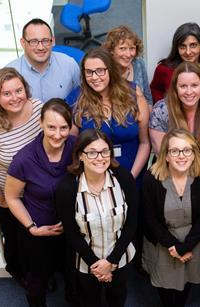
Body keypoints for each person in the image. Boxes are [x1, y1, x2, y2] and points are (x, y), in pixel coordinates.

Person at [5, 99, 75, 306]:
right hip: (38, 232)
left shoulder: (76, 147)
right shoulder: (23, 159)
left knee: (75, 279)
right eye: (51, 127)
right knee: (38, 283)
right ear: (41, 123)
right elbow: (12, 197)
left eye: (63, 128)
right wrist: (32, 228)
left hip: (71, 230)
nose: (57, 134)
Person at [55, 129, 137, 307]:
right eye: (92, 152)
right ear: (80, 156)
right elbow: (71, 234)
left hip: (119, 258)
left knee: (118, 299)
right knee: (89, 301)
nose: (100, 158)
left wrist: (111, 261)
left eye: (104, 151)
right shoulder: (68, 188)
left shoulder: (123, 178)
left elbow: (132, 223)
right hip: (86, 263)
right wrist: (97, 266)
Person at [0, 67, 42, 284]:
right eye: (7, 93)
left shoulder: (38, 109)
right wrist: (2, 200)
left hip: (39, 193)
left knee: (40, 239)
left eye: (18, 90)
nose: (15, 98)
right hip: (12, 198)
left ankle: (43, 273)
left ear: (26, 89)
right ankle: (24, 277)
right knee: (19, 243)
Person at [142, 128, 200, 307]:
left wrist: (187, 247)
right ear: (166, 156)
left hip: (194, 241)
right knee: (164, 285)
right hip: (163, 241)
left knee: (186, 281)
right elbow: (150, 219)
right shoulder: (151, 178)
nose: (182, 156)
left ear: (194, 153)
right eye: (175, 151)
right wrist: (174, 247)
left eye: (187, 150)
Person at [72, 48, 150, 184]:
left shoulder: (133, 93)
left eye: (100, 70)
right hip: (93, 181)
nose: (95, 77)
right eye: (89, 72)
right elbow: (72, 147)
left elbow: (145, 143)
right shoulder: (76, 99)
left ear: (111, 70)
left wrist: (131, 178)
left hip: (133, 175)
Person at [149, 62, 200, 163]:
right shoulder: (161, 110)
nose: (189, 92)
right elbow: (162, 154)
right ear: (175, 88)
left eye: (194, 85)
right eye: (183, 86)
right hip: (169, 170)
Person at [6, 18, 80, 102]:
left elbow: (82, 96)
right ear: (23, 43)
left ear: (53, 41)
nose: (40, 47)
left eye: (45, 41)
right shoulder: (10, 73)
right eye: (33, 41)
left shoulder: (69, 65)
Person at [150, 22, 200, 103]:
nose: (188, 52)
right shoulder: (164, 69)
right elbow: (154, 92)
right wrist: (168, 109)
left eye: (193, 45)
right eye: (182, 46)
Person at [103, 25, 153, 105]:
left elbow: (148, 98)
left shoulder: (138, 63)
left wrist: (147, 116)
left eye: (132, 48)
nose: (128, 54)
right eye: (122, 48)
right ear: (111, 50)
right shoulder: (104, 68)